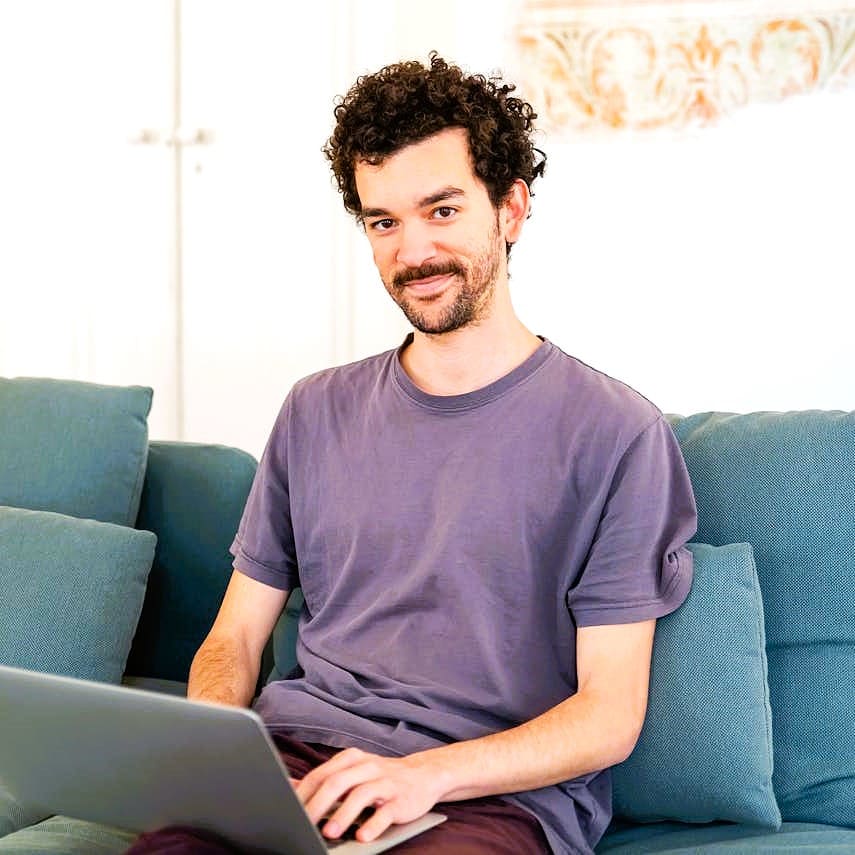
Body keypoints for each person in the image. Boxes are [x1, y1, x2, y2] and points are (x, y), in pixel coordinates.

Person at [128, 53, 697, 855]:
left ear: (510, 208)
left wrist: (421, 776)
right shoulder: (314, 410)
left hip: (486, 796)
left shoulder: (618, 434)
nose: (413, 250)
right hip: (295, 761)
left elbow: (609, 713)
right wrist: (217, 752)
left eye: (442, 210)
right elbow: (235, 639)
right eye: (383, 222)